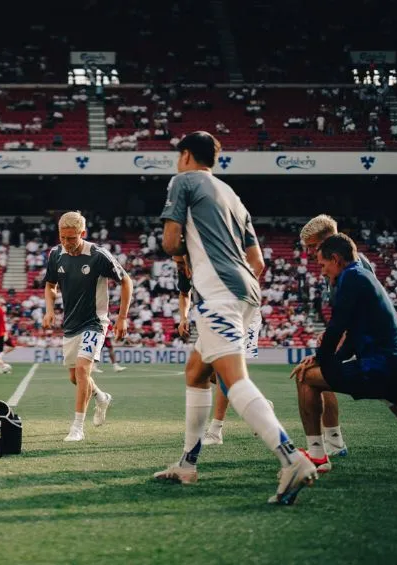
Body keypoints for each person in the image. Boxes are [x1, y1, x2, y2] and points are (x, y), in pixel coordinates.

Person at [154, 131, 315, 505]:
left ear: (186, 154)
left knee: (233, 380)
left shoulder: (183, 181)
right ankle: (187, 464)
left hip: (218, 293)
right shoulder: (233, 196)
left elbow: (169, 240)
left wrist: (183, 257)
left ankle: (292, 458)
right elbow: (257, 261)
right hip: (247, 293)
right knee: (196, 372)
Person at [291, 234, 397, 468]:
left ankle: (318, 456)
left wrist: (321, 361)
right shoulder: (362, 275)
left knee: (306, 379)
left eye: (323, 264)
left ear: (337, 259)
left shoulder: (350, 279)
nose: (321, 271)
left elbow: (337, 327)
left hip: (379, 370)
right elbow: (350, 334)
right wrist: (328, 361)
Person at [42, 211, 132, 442]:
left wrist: (122, 317)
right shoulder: (55, 255)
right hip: (70, 324)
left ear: (83, 233)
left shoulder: (98, 255)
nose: (66, 243)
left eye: (71, 238)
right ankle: (101, 397)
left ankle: (77, 427)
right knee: (75, 377)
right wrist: (50, 309)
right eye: (63, 237)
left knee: (82, 371)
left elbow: (126, 281)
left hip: (95, 322)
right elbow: (50, 284)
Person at [294, 214, 376, 457]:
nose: (309, 252)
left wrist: (334, 344)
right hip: (368, 345)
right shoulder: (352, 264)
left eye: (311, 246)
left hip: (372, 352)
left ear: (326, 240)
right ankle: (334, 444)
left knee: (309, 375)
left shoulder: (351, 270)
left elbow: (358, 314)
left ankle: (324, 449)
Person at [173, 254, 264, 446]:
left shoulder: (212, 260)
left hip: (240, 312)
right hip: (217, 314)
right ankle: (259, 407)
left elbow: (255, 267)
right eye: (176, 262)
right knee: (203, 373)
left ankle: (216, 431)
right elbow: (184, 293)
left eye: (181, 261)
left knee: (224, 371)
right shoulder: (184, 268)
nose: (179, 266)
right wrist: (183, 317)